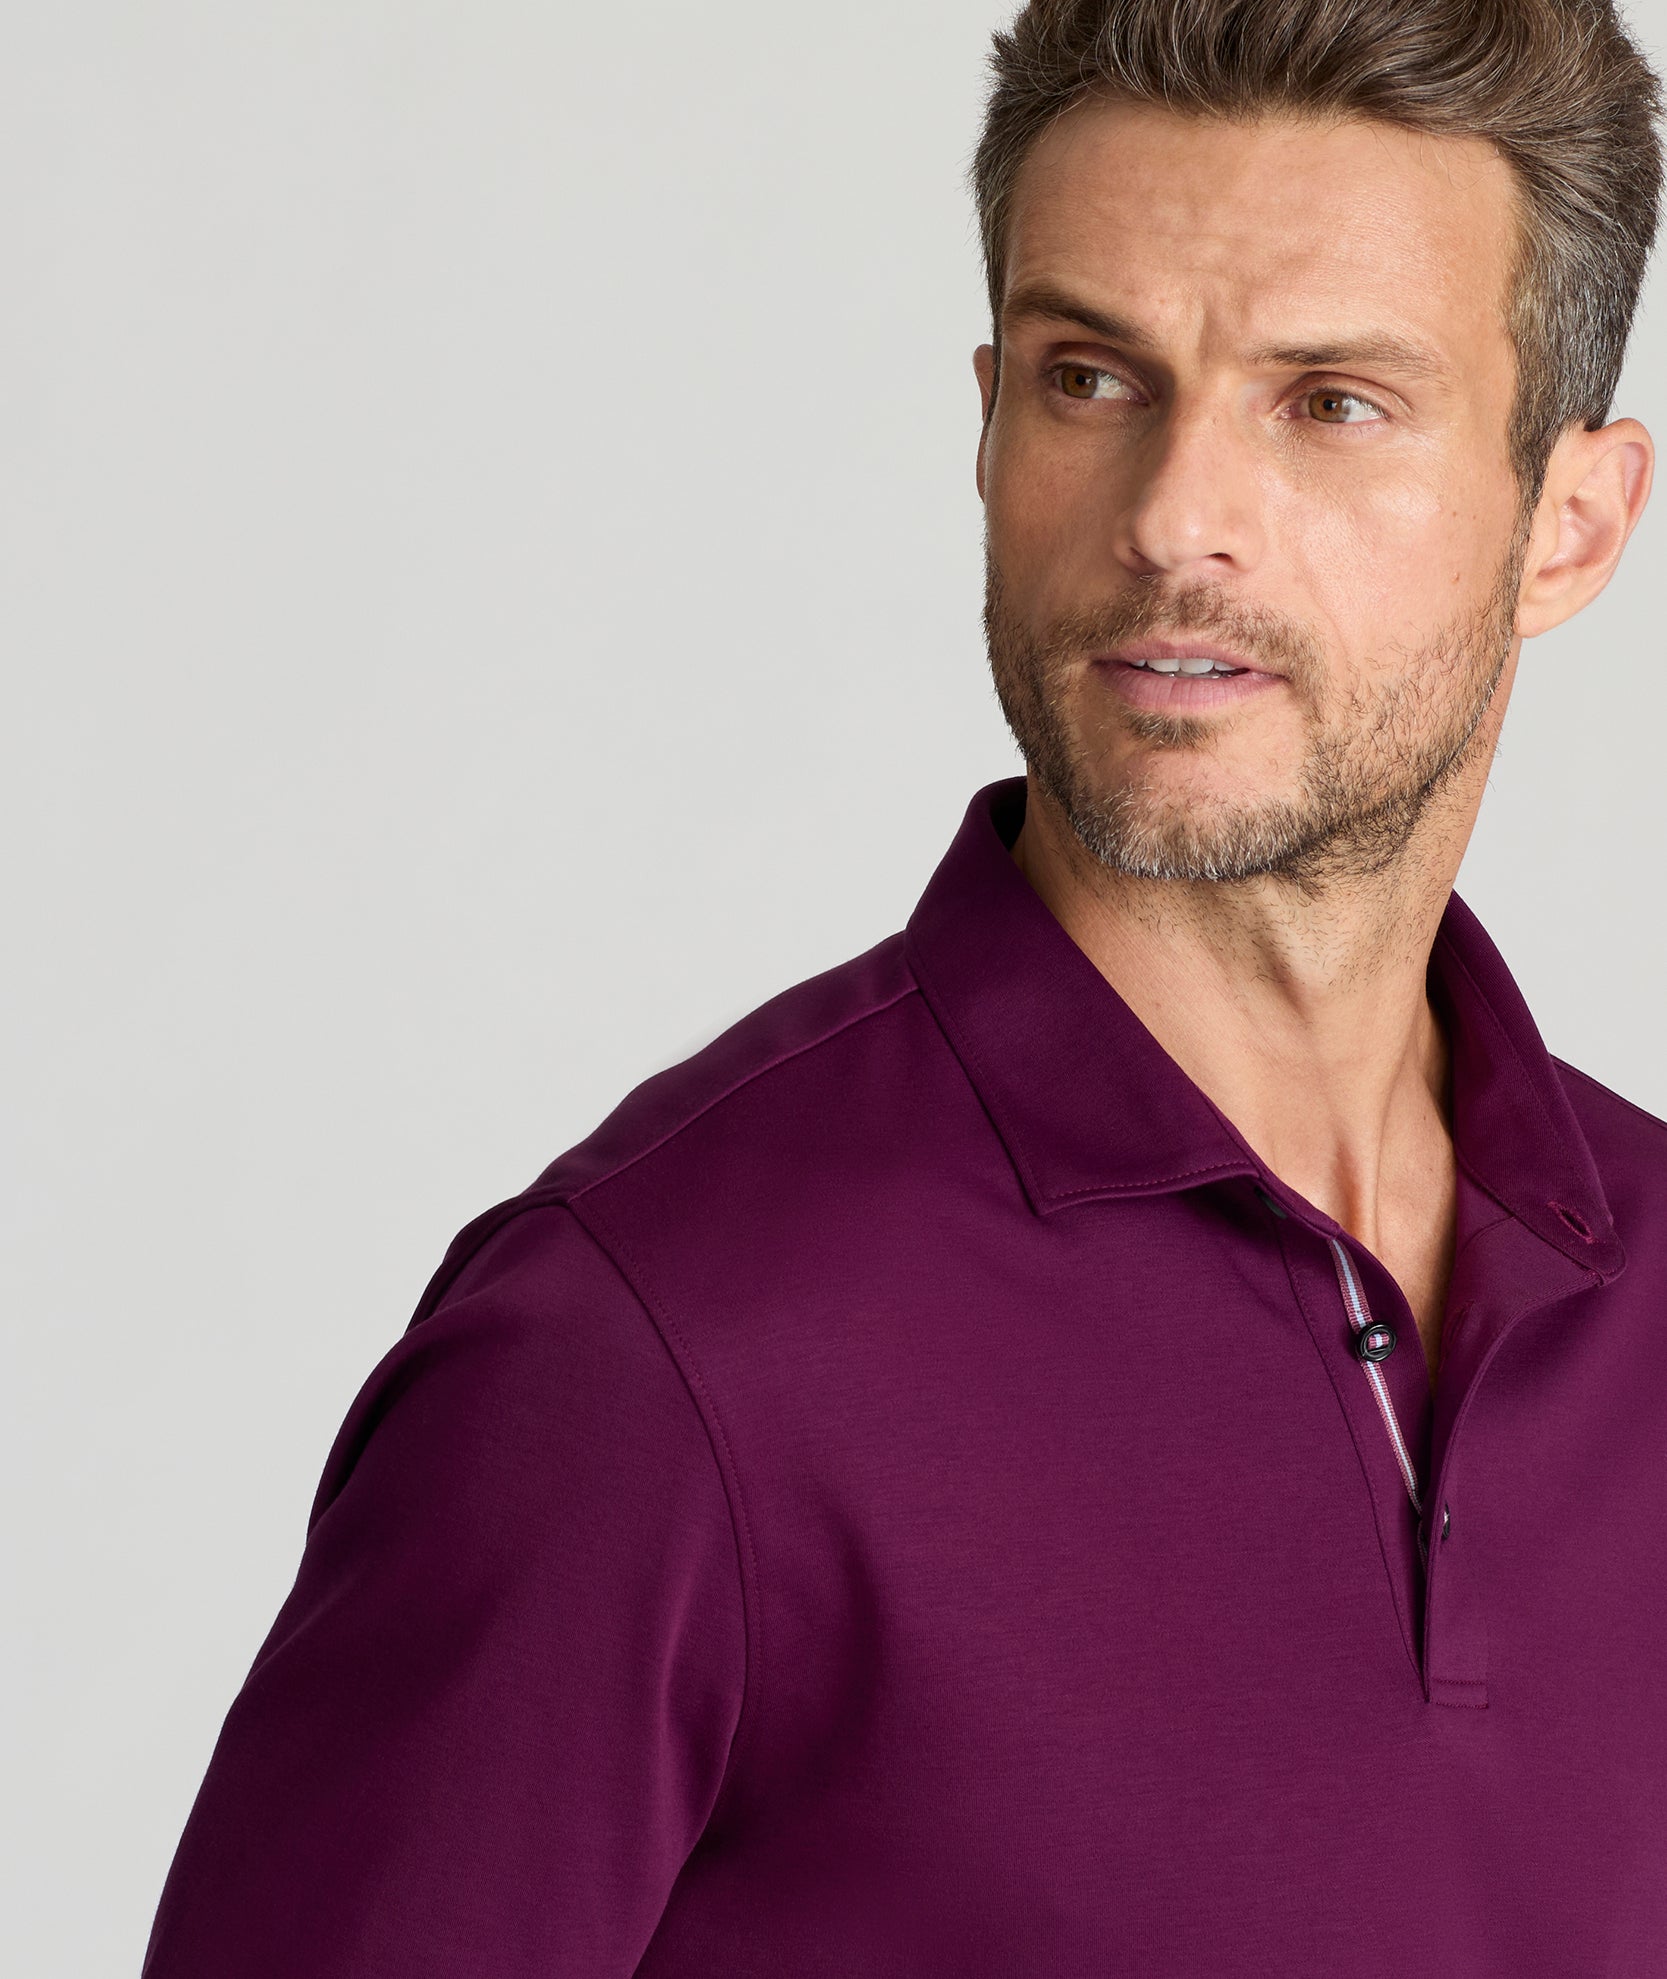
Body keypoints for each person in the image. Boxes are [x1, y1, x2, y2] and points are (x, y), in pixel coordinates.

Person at [143, 1, 1667, 1972]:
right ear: (989, 422)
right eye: (1091, 378)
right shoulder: (645, 1357)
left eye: (1331, 403)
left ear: (1570, 523)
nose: (1171, 516)